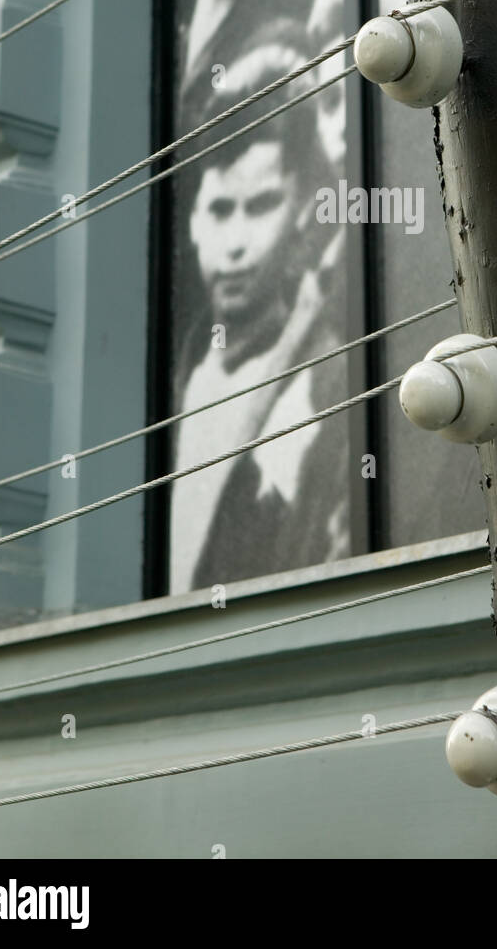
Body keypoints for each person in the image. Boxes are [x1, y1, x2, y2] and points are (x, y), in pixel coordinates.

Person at [169, 30, 348, 593]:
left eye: (262, 206)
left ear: (300, 212)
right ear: (195, 221)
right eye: (220, 210)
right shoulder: (174, 376)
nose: (237, 243)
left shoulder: (330, 382)